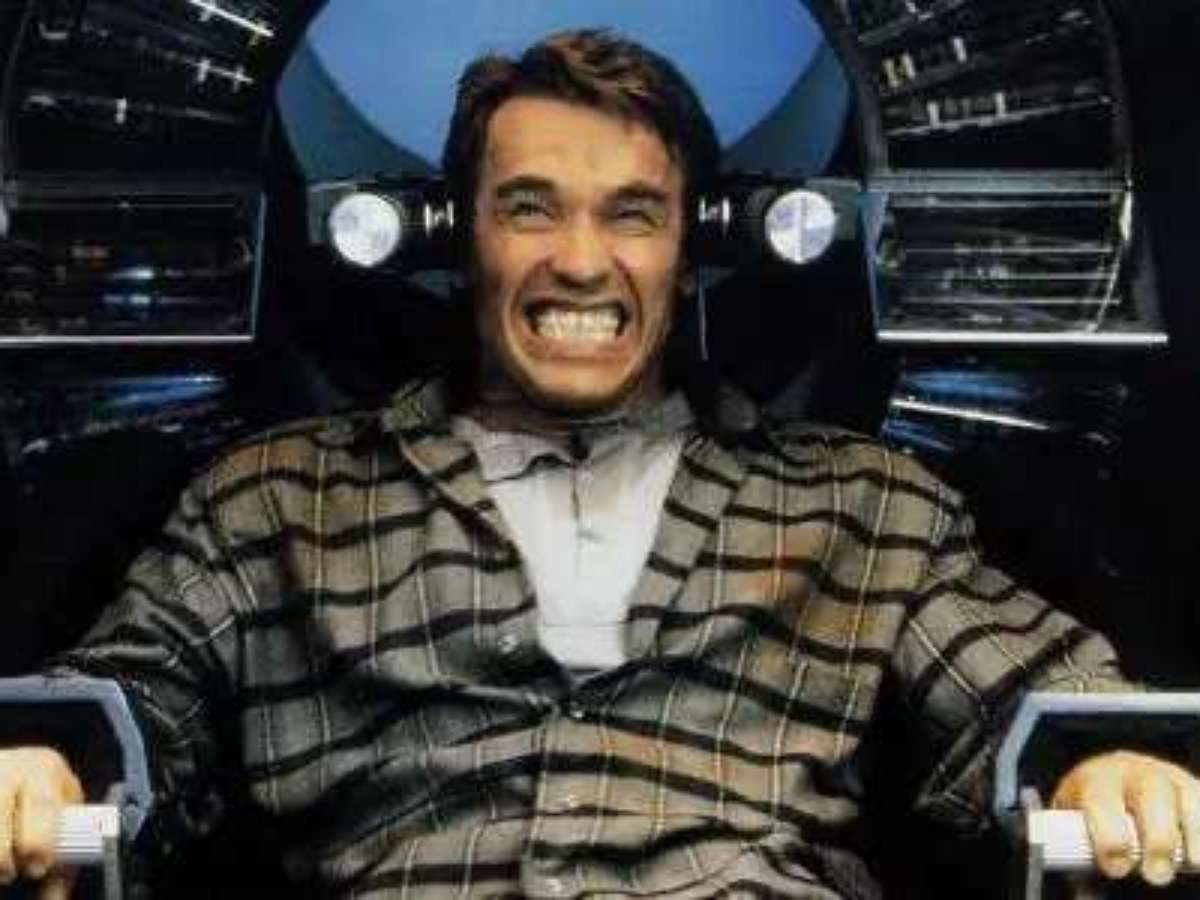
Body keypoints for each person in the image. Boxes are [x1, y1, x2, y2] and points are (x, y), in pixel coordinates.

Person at [0, 28, 1197, 900]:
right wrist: (48, 764)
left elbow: (1022, 687)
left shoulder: (863, 503)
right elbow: (134, 686)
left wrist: (1109, 765)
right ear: (462, 236)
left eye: (632, 214)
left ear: (688, 248)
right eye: (531, 208)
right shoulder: (277, 499)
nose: (582, 261)